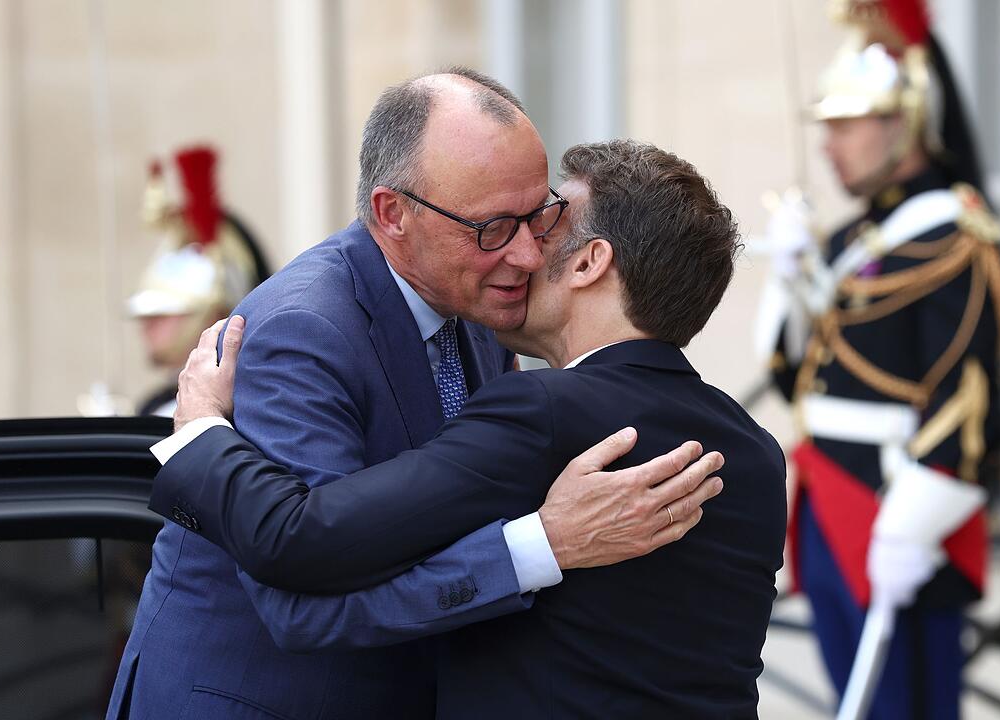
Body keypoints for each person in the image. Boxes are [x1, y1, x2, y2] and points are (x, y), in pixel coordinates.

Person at [107, 69, 722, 720]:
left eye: (535, 216)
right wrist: (543, 545)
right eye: (491, 227)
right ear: (392, 214)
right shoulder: (302, 331)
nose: (524, 255)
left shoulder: (480, 312)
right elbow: (301, 606)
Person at [759, 1, 1000, 717]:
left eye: (845, 125)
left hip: (902, 507)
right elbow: (793, 377)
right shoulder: (849, 243)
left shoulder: (954, 238)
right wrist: (789, 278)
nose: (827, 146)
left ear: (905, 123)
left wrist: (912, 523)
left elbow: (967, 399)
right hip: (828, 494)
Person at [127, 146, 272, 417]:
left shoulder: (246, 401)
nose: (146, 326)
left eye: (164, 314)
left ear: (214, 316)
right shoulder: (159, 402)